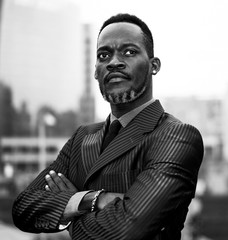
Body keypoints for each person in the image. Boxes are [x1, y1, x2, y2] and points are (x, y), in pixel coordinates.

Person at [12, 13, 204, 240]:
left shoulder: (176, 136)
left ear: (154, 66)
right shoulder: (82, 138)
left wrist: (69, 209)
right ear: (95, 71)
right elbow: (23, 208)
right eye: (104, 55)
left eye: (129, 52)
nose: (114, 62)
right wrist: (92, 200)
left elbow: (125, 231)